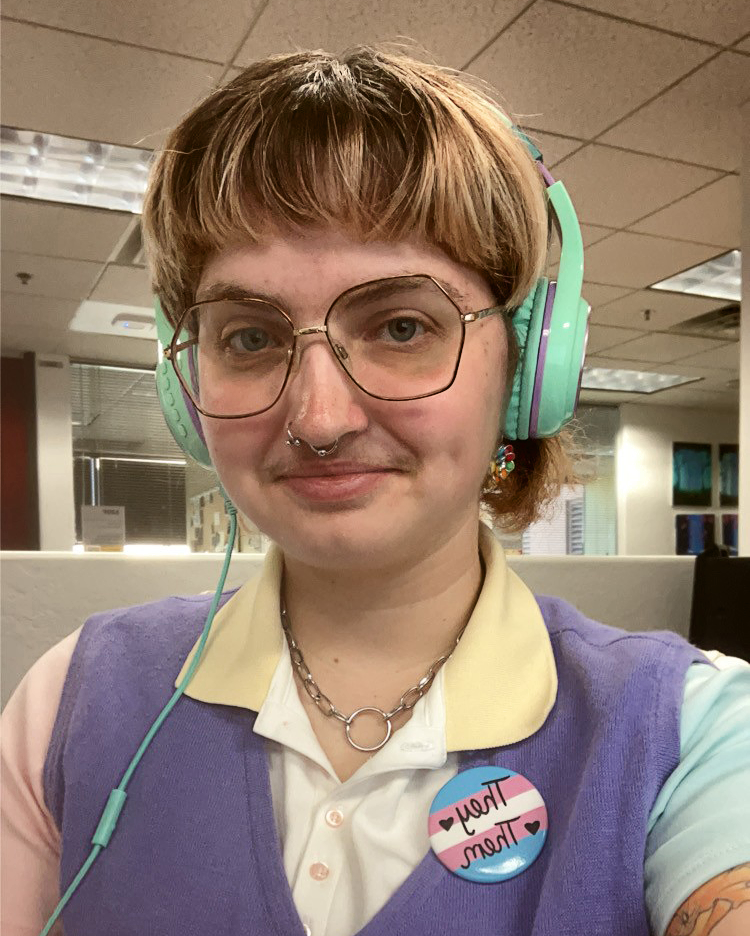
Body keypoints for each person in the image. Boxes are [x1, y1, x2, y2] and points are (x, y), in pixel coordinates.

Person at [2, 46, 749, 936]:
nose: (319, 417)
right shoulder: (69, 700)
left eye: (402, 325)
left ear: (527, 369)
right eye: (247, 338)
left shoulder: (692, 731)